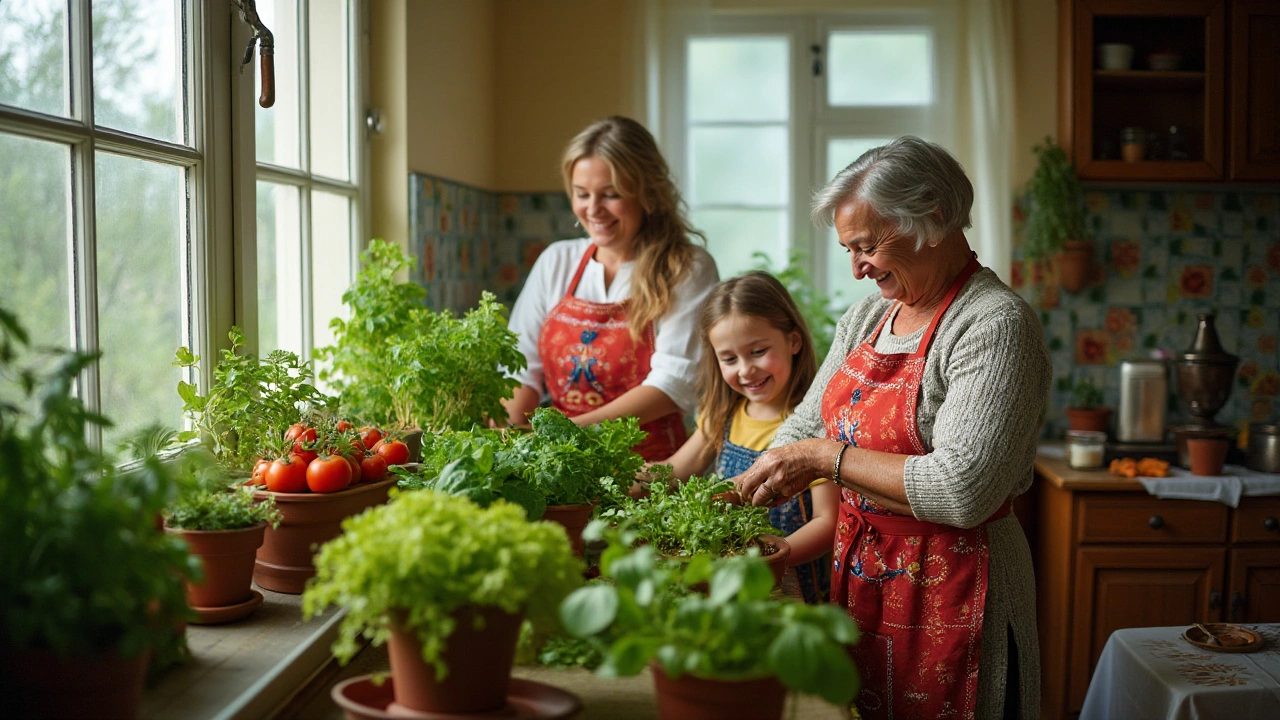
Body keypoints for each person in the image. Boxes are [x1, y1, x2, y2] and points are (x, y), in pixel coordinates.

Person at [733, 136, 1050, 719]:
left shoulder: (995, 324)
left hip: (958, 589)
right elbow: (807, 423)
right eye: (849, 249)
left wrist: (823, 459)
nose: (856, 268)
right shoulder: (868, 317)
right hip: (863, 581)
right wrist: (746, 485)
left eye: (867, 246)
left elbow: (962, 488)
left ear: (932, 218)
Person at [503, 117, 718, 461]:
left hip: (649, 469)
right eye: (581, 194)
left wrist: (566, 433)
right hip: (557, 462)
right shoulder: (556, 261)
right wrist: (509, 437)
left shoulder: (687, 268)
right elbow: (518, 366)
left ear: (648, 192)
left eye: (611, 194)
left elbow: (673, 384)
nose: (593, 209)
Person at [661, 272, 836, 604]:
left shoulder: (818, 426)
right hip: (726, 580)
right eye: (729, 358)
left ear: (794, 342)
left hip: (790, 585)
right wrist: (620, 476)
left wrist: (762, 563)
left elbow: (828, 523)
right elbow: (672, 471)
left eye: (758, 351)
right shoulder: (722, 414)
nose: (745, 370)